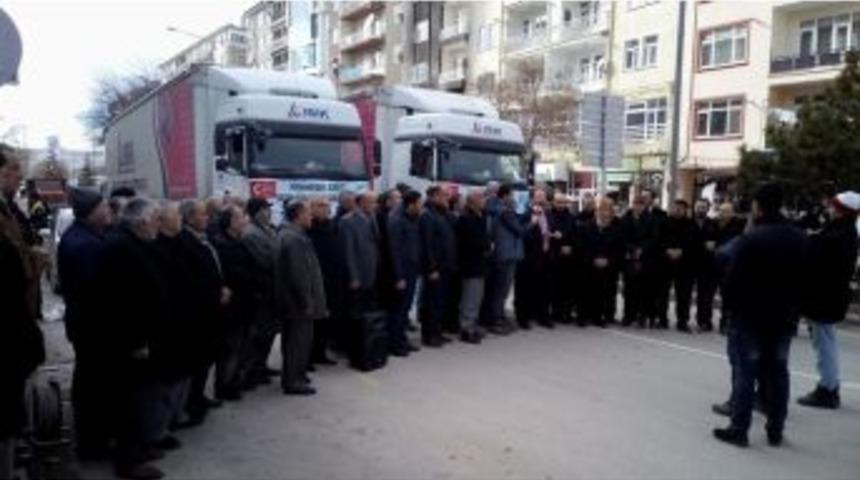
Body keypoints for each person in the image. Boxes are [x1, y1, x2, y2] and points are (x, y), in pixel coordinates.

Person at [713, 183, 810, 448]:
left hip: (750, 317)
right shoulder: (800, 237)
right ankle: (775, 430)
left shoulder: (751, 239)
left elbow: (732, 279)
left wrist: (730, 308)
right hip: (784, 317)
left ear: (757, 206)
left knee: (746, 371)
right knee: (778, 373)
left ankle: (739, 428)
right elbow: (807, 278)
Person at [97, 198, 168, 479]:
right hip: (131, 344)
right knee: (131, 403)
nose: (158, 225)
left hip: (143, 339)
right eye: (155, 219)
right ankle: (129, 461)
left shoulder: (136, 245)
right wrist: (137, 341)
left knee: (142, 400)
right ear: (141, 222)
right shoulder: (122, 249)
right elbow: (123, 303)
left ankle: (139, 449)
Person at [57, 188, 113, 459]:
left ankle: (93, 438)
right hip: (93, 326)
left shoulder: (86, 237)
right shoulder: (85, 244)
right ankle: (92, 443)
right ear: (92, 212)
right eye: (104, 207)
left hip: (86, 323)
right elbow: (99, 292)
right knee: (93, 384)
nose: (108, 211)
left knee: (91, 381)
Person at [0, 146, 45, 480]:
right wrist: (32, 261)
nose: (18, 176)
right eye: (13, 169)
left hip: (18, 317)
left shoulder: (11, 208)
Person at [797, 191, 860, 409]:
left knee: (824, 344)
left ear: (842, 212)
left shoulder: (840, 234)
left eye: (834, 207)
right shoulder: (840, 231)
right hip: (827, 297)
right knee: (825, 341)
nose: (829, 209)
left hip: (825, 298)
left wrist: (811, 239)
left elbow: (819, 257)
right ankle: (829, 385)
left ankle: (828, 388)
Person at [150, 201, 197, 449]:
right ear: (162, 220)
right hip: (172, 324)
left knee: (182, 375)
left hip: (186, 320)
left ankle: (172, 420)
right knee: (166, 382)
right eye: (176, 215)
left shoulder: (182, 241)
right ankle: (159, 431)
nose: (180, 218)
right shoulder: (158, 248)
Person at [178, 199, 228, 424]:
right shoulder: (185, 242)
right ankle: (192, 403)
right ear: (188, 218)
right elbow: (193, 280)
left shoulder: (202, 239)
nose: (206, 218)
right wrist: (215, 293)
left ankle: (199, 397)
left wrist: (222, 288)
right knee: (197, 361)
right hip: (200, 312)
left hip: (212, 308)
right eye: (201, 214)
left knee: (206, 359)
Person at [276, 201, 328, 395]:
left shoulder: (290, 234)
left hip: (292, 302)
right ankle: (293, 381)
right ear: (298, 215)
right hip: (298, 303)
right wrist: (306, 301)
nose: (311, 216)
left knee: (293, 341)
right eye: (307, 213)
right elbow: (299, 275)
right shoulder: (294, 239)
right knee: (298, 342)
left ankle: (296, 374)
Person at [211, 204, 258, 402]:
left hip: (245, 303)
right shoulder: (221, 244)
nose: (244, 221)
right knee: (230, 349)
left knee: (241, 347)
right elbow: (231, 274)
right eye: (239, 218)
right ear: (228, 222)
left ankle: (236, 381)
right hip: (233, 306)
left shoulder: (239, 241)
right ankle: (224, 386)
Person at [241, 198, 282, 385]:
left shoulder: (268, 229)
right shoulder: (251, 234)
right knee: (259, 334)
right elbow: (266, 261)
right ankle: (252, 370)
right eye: (265, 209)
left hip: (273, 289)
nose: (269, 212)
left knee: (270, 332)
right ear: (257, 212)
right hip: (262, 291)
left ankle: (261, 366)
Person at [340, 192, 380, 354]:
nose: (375, 206)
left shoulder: (371, 217)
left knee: (367, 311)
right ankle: (351, 346)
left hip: (371, 271)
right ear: (361, 203)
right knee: (354, 312)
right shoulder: (347, 221)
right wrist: (354, 276)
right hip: (358, 275)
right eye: (371, 203)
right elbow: (348, 251)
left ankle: (366, 344)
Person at [418, 185, 458, 347]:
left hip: (446, 266)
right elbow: (427, 244)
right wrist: (432, 268)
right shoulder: (427, 215)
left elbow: (453, 226)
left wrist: (447, 210)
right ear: (433, 196)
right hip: (436, 268)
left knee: (440, 302)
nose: (446, 198)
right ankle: (429, 335)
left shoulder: (441, 213)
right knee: (432, 302)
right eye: (443, 196)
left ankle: (437, 331)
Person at [484, 184, 524, 335]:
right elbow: (519, 230)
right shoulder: (504, 212)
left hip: (503, 253)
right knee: (501, 289)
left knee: (500, 289)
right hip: (506, 254)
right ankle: (496, 320)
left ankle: (498, 317)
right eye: (511, 195)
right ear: (505, 196)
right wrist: (531, 223)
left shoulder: (496, 209)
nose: (513, 198)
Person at [386, 190, 422, 356]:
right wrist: (398, 276)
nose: (421, 207)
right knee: (397, 310)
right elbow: (395, 251)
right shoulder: (397, 220)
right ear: (411, 204)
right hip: (402, 272)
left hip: (412, 270)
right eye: (419, 203)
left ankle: (401, 340)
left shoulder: (412, 219)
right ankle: (394, 344)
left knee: (405, 309)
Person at [306, 197, 340, 365]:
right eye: (321, 206)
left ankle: (320, 353)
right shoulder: (307, 228)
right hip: (313, 280)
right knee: (312, 321)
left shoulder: (332, 226)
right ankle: (308, 357)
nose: (326, 209)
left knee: (326, 320)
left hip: (331, 279)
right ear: (311, 208)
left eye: (327, 206)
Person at [581, 198, 624, 327]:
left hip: (608, 265)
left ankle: (599, 317)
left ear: (612, 212)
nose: (605, 213)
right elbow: (584, 245)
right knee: (588, 291)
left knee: (604, 292)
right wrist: (594, 259)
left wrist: (608, 260)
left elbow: (618, 248)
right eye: (602, 210)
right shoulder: (588, 225)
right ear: (598, 211)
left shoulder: (616, 227)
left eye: (608, 210)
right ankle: (584, 316)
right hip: (590, 264)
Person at [456, 190, 491, 344]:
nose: (484, 201)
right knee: (470, 298)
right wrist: (487, 245)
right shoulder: (466, 218)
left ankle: (472, 324)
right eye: (481, 198)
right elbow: (470, 241)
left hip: (479, 263)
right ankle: (466, 329)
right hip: (470, 264)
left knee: (476, 298)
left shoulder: (480, 216)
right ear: (473, 202)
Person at [515, 188, 553, 329]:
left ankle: (543, 316)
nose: (541, 199)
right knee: (525, 288)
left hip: (545, 255)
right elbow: (521, 232)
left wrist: (551, 234)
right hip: (528, 256)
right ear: (532, 198)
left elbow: (549, 228)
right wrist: (532, 224)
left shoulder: (548, 213)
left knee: (543, 288)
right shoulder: (524, 212)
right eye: (538, 196)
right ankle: (523, 318)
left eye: (543, 196)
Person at [656, 200, 696, 331]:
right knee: (662, 294)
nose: (678, 210)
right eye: (676, 207)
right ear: (671, 208)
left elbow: (695, 243)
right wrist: (667, 250)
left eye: (681, 208)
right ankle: (662, 320)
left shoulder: (691, 224)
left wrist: (682, 251)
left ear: (685, 210)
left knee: (684, 295)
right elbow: (657, 240)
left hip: (685, 265)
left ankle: (682, 321)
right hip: (664, 263)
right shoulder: (663, 223)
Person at [714, 202, 746, 333]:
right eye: (721, 210)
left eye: (726, 211)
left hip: (730, 266)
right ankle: (706, 321)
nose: (722, 213)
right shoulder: (714, 224)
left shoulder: (739, 225)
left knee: (728, 297)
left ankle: (726, 323)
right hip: (714, 264)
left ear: (732, 213)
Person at [548, 193, 577, 324]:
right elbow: (545, 232)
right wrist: (553, 236)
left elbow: (575, 236)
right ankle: (555, 312)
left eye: (563, 202)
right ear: (553, 202)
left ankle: (566, 313)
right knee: (554, 286)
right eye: (558, 202)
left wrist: (569, 245)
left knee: (567, 287)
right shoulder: (548, 216)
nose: (561, 205)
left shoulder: (572, 217)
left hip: (568, 257)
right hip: (553, 256)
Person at [691, 199, 720, 332]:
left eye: (703, 207)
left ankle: (704, 321)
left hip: (706, 265)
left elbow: (717, 241)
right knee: (685, 294)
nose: (701, 210)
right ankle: (683, 320)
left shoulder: (713, 224)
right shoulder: (687, 223)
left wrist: (714, 246)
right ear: (694, 208)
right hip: (689, 263)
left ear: (707, 209)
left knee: (705, 295)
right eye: (698, 207)